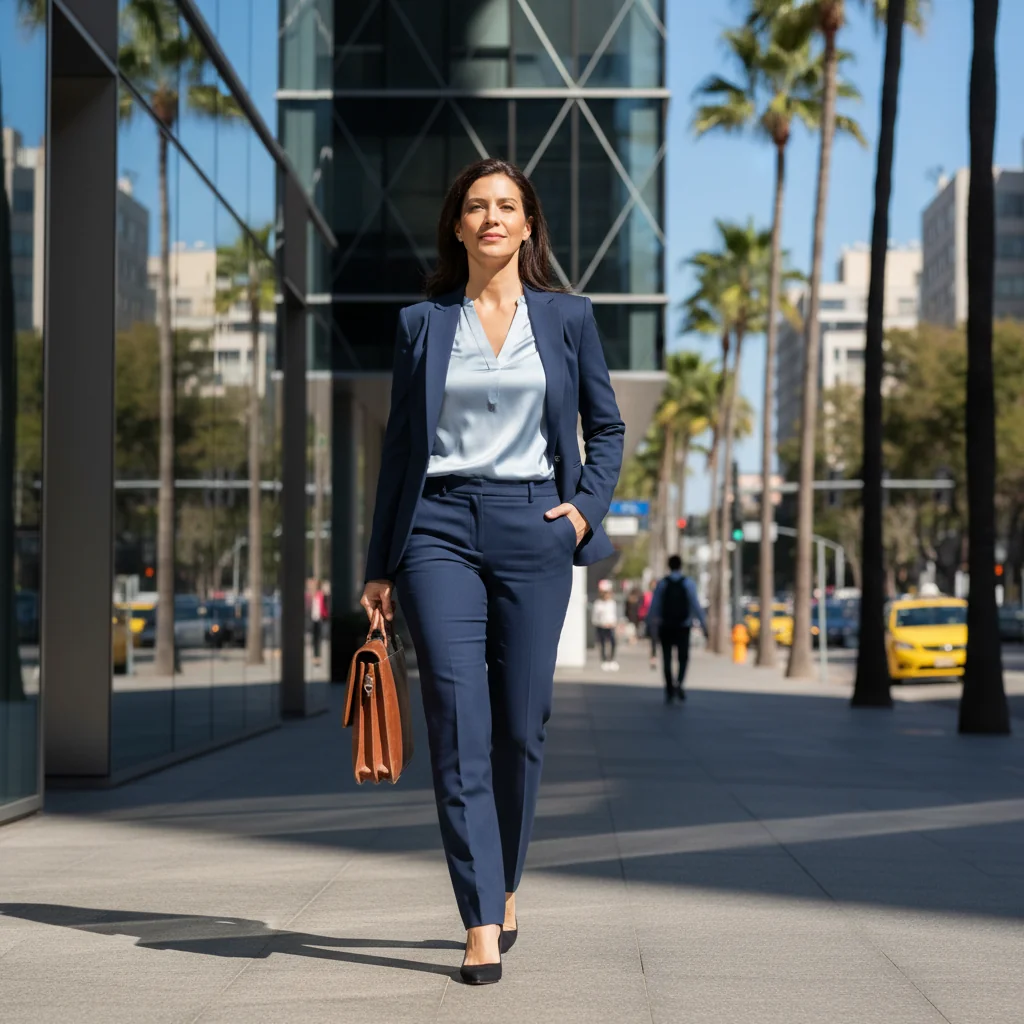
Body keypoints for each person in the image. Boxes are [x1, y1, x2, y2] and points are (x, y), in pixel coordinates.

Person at [359, 159, 624, 985]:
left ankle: (505, 877)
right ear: (457, 226)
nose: (492, 218)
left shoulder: (569, 317)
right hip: (437, 527)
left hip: (533, 524)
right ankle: (479, 916)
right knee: (455, 718)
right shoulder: (421, 323)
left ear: (530, 225)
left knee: (520, 725)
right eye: (476, 206)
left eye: (507, 205)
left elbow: (606, 428)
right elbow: (400, 450)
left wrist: (582, 510)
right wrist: (379, 566)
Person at [647, 555, 708, 703]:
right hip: (683, 626)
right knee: (683, 658)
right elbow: (696, 605)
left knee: (667, 658)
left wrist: (650, 624)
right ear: (681, 566)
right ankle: (679, 684)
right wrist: (703, 625)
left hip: (666, 626)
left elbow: (654, 606)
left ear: (669, 566)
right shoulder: (688, 583)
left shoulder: (662, 584)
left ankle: (669, 688)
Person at [591, 580, 619, 670]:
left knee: (613, 643)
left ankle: (611, 659)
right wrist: (601, 623)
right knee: (602, 643)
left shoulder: (612, 603)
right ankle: (604, 660)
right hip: (601, 626)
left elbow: (613, 615)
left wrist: (613, 623)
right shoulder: (598, 604)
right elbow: (595, 617)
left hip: (611, 626)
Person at [638, 580, 657, 670]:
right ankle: (653, 658)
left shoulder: (660, 596)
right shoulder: (646, 595)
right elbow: (642, 608)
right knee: (653, 641)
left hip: (660, 621)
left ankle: (655, 657)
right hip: (650, 621)